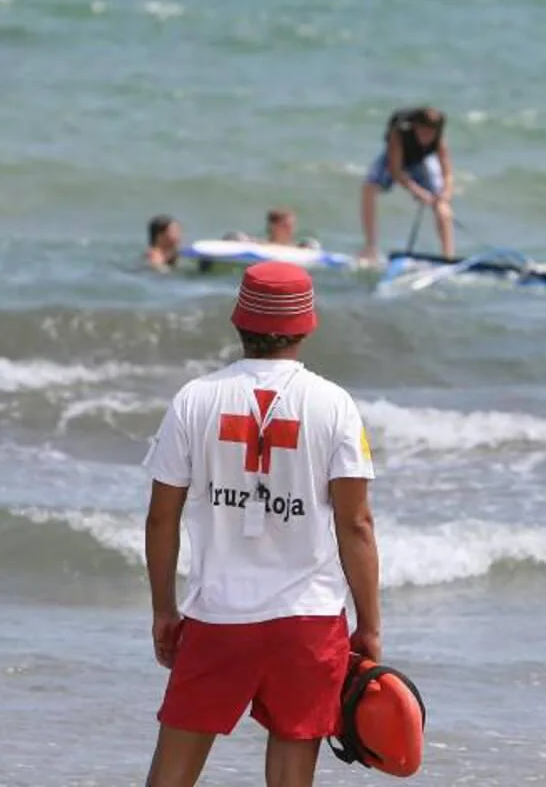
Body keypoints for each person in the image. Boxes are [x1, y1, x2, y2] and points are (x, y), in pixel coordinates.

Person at [141, 260, 383, 787]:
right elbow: (356, 524)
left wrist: (164, 609)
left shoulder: (194, 399)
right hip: (308, 618)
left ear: (238, 321)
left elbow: (162, 517)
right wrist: (369, 623)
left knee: (171, 776)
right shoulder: (334, 405)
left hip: (217, 615)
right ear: (306, 325)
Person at [359, 106, 455, 264]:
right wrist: (418, 192)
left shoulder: (439, 140)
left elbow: (447, 173)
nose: (427, 137)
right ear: (416, 127)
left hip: (420, 161)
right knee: (369, 187)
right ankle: (370, 247)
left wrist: (446, 193)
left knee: (442, 204)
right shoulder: (399, 134)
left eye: (431, 133)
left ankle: (448, 256)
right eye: (423, 132)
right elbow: (396, 172)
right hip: (393, 160)